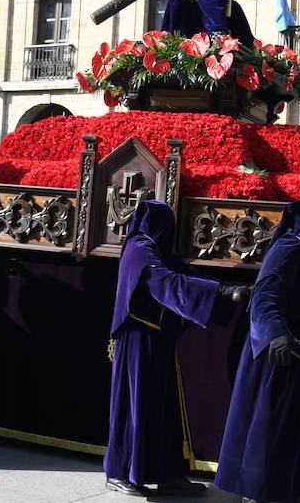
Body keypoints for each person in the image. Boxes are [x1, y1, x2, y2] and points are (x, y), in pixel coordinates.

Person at [104, 200, 244, 497]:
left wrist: (227, 289)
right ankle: (119, 472)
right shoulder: (139, 249)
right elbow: (166, 282)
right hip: (137, 341)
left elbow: (186, 272)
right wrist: (220, 291)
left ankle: (168, 474)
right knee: (135, 408)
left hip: (158, 339)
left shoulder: (158, 249)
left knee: (165, 408)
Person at [216, 200, 300, 499]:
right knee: (267, 426)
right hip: (277, 354)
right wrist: (275, 335)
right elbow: (265, 296)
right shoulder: (288, 248)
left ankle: (292, 486)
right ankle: (257, 489)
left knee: (295, 428)